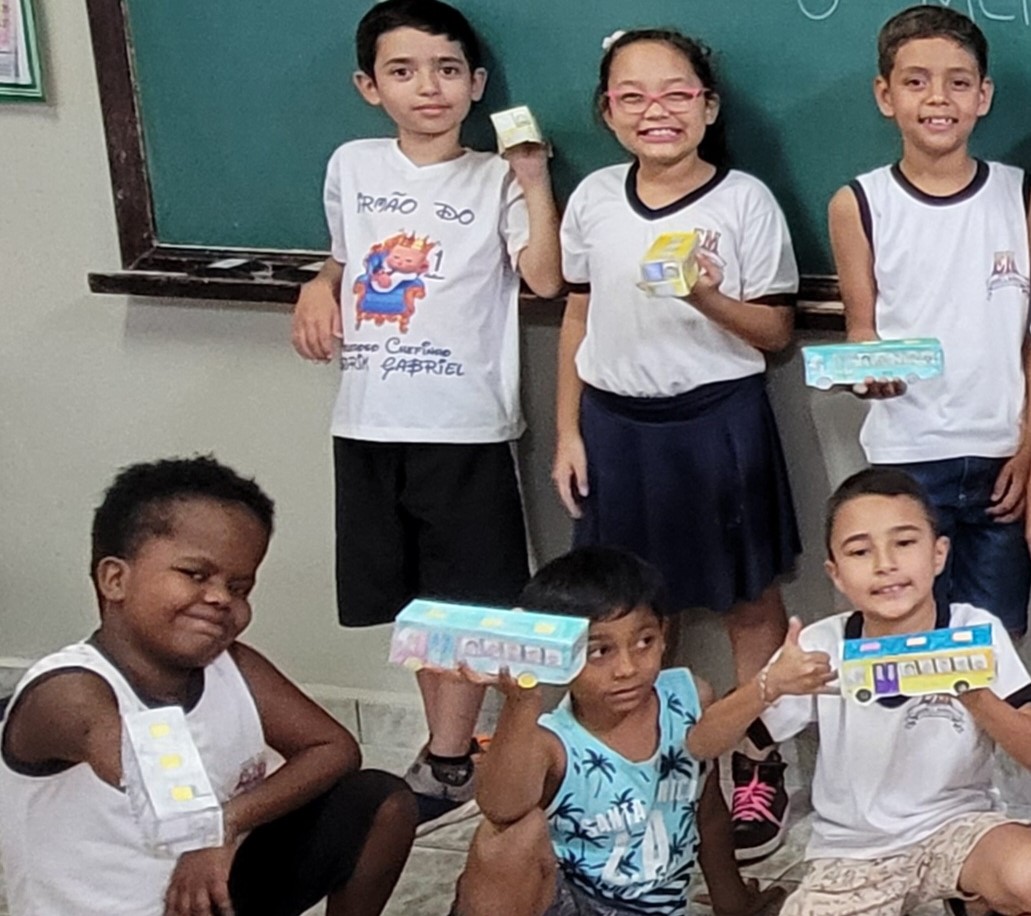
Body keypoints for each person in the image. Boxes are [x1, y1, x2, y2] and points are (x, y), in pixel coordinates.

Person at [290, 0, 562, 829]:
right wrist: (318, 283)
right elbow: (344, 256)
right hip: (369, 418)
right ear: (368, 86)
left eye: (447, 70)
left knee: (469, 601)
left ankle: (462, 753)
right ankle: (447, 750)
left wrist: (533, 181)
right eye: (402, 72)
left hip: (462, 422)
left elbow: (544, 279)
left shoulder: (492, 176)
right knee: (412, 606)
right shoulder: (352, 164)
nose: (428, 88)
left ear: (476, 84)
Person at [552, 27, 800, 859]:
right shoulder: (592, 198)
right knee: (631, 609)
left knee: (747, 599)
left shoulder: (743, 201)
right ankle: (646, 766)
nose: (655, 110)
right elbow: (576, 314)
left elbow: (773, 331)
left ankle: (755, 758)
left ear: (708, 106)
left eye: (676, 93)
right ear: (606, 111)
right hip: (615, 426)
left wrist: (705, 298)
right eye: (632, 96)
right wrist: (566, 430)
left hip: (718, 421)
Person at [0, 456, 417, 916]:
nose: (220, 598)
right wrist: (200, 827)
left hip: (204, 891)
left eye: (240, 587)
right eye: (195, 575)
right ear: (115, 579)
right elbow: (130, 755)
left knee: (380, 803)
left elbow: (333, 748)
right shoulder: (67, 689)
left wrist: (225, 825)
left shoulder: (231, 665)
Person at [688, 467, 1031, 915]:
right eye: (860, 551)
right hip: (852, 851)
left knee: (1024, 874)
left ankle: (974, 897)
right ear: (835, 574)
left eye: (904, 543)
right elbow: (702, 743)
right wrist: (769, 686)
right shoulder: (821, 645)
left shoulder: (974, 631)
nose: (885, 564)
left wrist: (975, 696)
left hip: (961, 829)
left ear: (938, 554)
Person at [828, 5, 1031, 638]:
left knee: (994, 636)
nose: (938, 98)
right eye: (916, 82)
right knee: (908, 629)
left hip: (1003, 455)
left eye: (958, 82)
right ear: (885, 95)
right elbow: (861, 329)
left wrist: (1029, 440)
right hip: (906, 458)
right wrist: (866, 372)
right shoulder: (858, 204)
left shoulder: (1020, 197)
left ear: (983, 96)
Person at [449, 546, 784, 916]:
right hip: (572, 905)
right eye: (599, 651)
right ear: (556, 653)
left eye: (644, 642)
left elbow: (709, 813)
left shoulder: (689, 699)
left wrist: (734, 905)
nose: (627, 668)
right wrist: (521, 701)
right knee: (508, 838)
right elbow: (499, 810)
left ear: (663, 633)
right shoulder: (552, 742)